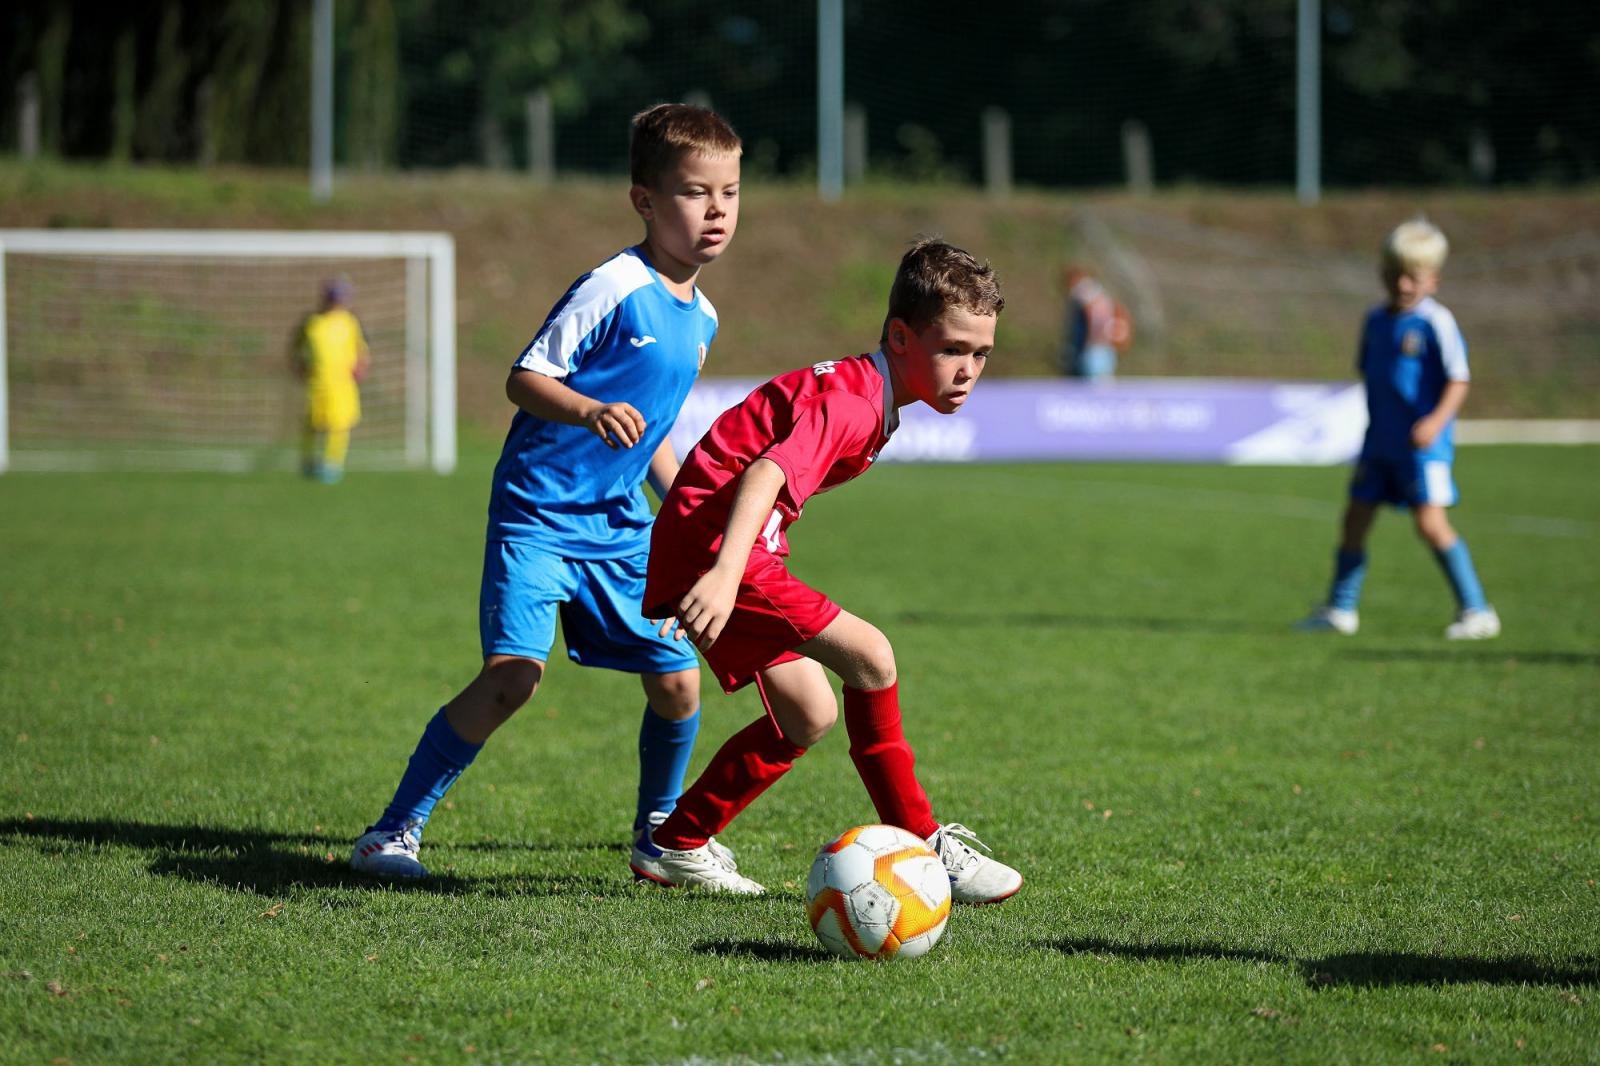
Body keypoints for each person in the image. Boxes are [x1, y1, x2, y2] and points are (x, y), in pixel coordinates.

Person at [351, 103, 744, 878]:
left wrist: (688, 515)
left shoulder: (702, 318)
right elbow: (524, 378)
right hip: (537, 515)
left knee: (675, 680)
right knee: (514, 680)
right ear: (645, 200)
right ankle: (391, 833)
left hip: (620, 526)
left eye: (730, 193)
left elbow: (654, 430)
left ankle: (661, 840)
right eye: (696, 192)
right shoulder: (613, 285)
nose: (717, 210)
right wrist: (588, 408)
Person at [629, 238, 1024, 903]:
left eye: (980, 353)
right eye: (952, 349)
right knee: (872, 656)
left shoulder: (869, 391)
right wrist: (725, 574)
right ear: (900, 337)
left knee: (807, 713)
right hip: (720, 552)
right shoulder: (856, 403)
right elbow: (767, 470)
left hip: (716, 544)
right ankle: (926, 844)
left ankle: (676, 841)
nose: (968, 369)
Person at [1297, 217, 1500, 640]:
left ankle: (1477, 610)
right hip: (1379, 443)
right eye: (1395, 275)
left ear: (1433, 280)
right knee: (1354, 519)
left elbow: (1459, 379)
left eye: (1413, 277)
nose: (1403, 284)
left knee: (1430, 525)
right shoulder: (1374, 320)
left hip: (1422, 447)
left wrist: (1435, 421)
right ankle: (1340, 609)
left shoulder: (1435, 323)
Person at [292, 277, 370, 482]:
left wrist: (361, 366)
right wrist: (298, 365)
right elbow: (296, 348)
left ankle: (332, 464)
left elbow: (361, 350)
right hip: (316, 382)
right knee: (313, 424)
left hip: (342, 383)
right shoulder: (312, 322)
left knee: (340, 424)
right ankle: (308, 460)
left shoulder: (350, 323)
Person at [1059, 266, 1128, 380]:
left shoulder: (1084, 292)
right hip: (1102, 348)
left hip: (1095, 349)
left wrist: (1095, 339)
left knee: (1092, 388)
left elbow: (1096, 319)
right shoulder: (1101, 295)